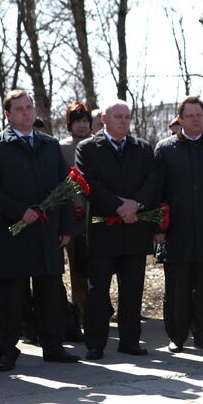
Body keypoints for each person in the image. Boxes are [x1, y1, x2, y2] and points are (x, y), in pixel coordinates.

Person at [0, 89, 78, 372]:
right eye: (19, 109)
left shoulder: (49, 144)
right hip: (14, 231)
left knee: (50, 292)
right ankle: (7, 351)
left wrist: (66, 227)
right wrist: (18, 211)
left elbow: (65, 187)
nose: (26, 112)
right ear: (8, 114)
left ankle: (54, 346)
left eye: (29, 107)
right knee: (11, 295)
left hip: (47, 231)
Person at [76, 100, 158, 360]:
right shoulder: (87, 148)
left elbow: (152, 181)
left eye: (127, 117)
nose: (123, 121)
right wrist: (119, 207)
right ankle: (95, 343)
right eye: (118, 116)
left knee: (132, 289)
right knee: (98, 291)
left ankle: (130, 341)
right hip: (103, 231)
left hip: (134, 230)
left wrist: (137, 204)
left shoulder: (142, 148)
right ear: (104, 119)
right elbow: (88, 183)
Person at [154, 96, 203, 353]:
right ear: (181, 119)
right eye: (190, 116)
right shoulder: (165, 150)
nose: (195, 119)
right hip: (177, 233)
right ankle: (177, 336)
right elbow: (158, 193)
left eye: (199, 115)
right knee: (177, 289)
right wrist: (159, 229)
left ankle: (202, 334)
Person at [60, 101, 92, 327]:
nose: (81, 126)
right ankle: (81, 316)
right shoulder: (61, 147)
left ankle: (98, 312)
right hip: (73, 216)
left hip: (98, 215)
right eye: (77, 122)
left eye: (85, 121)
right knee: (77, 270)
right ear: (70, 124)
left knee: (97, 271)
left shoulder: (97, 144)